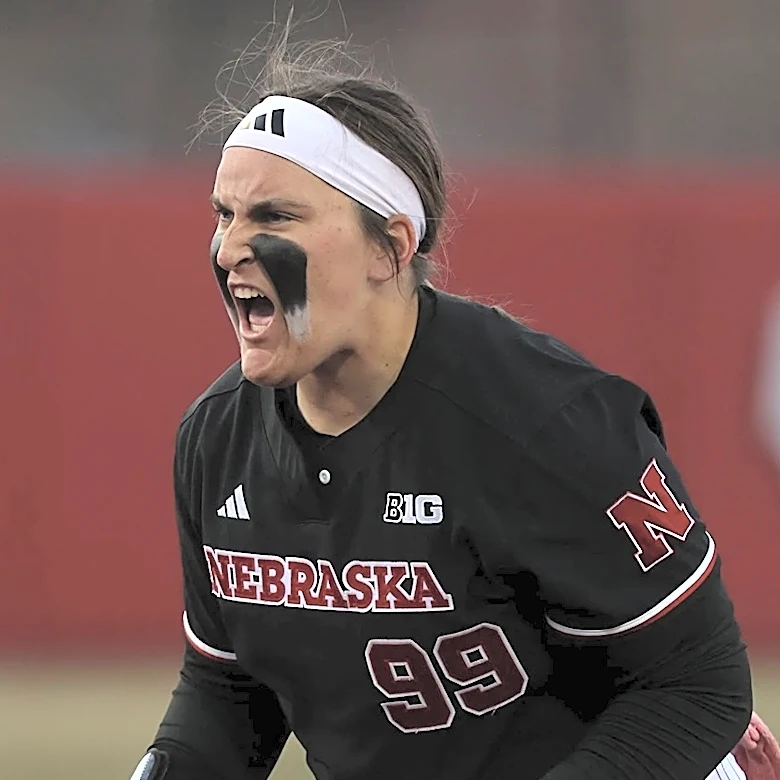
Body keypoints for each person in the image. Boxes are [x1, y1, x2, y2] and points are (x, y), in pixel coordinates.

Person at [129, 24, 754, 780]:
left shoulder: (542, 423)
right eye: (224, 215)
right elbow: (231, 688)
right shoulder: (218, 440)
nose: (230, 248)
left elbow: (694, 684)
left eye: (274, 217)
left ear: (390, 248)